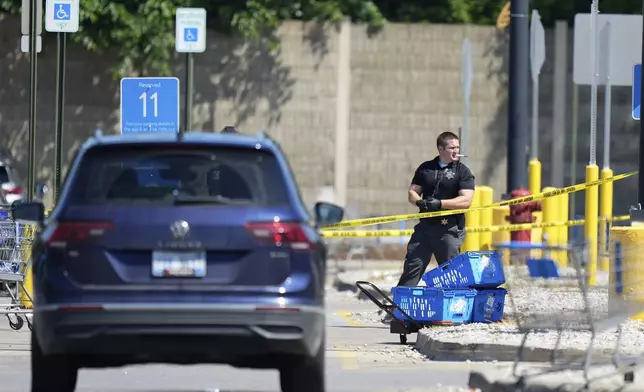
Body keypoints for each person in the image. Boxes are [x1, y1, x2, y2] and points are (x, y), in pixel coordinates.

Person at [383, 131, 475, 323]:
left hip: (449, 229)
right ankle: (398, 312)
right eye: (452, 148)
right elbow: (412, 192)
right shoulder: (425, 168)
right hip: (425, 228)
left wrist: (440, 204)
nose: (456, 151)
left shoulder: (462, 171)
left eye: (457, 148)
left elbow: (466, 200)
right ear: (440, 149)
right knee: (412, 267)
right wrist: (420, 203)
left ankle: (455, 313)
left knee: (450, 272)